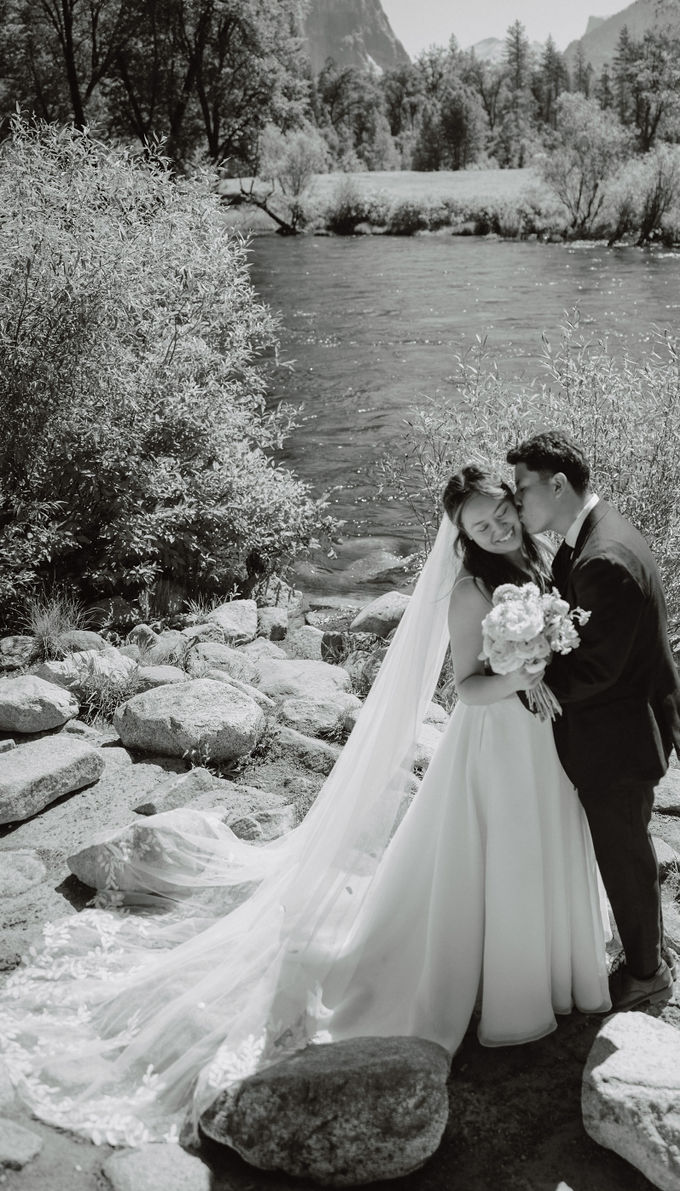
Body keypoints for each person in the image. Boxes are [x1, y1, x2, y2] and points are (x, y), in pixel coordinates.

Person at [0, 465, 609, 1147]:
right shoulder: (468, 590)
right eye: (479, 521)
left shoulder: (537, 554)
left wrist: (554, 651)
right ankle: (504, 988)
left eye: (500, 509)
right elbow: (468, 688)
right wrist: (526, 671)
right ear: (460, 532)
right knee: (495, 855)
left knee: (537, 849)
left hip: (542, 741)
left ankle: (549, 967)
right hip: (495, 744)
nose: (496, 523)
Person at [507, 430, 680, 1011]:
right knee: (625, 845)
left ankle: (647, 973)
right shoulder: (590, 535)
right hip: (625, 720)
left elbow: (596, 672)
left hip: (617, 735)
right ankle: (652, 952)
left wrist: (523, 681)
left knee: (623, 852)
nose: (516, 504)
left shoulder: (604, 558)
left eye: (522, 491)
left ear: (557, 484)